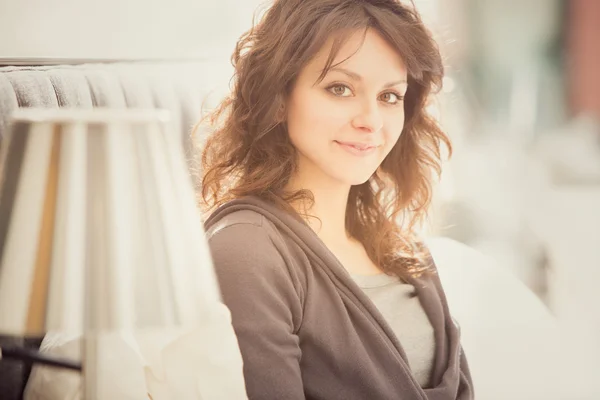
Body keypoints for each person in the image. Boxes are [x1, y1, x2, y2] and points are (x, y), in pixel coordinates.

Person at [200, 0, 474, 398]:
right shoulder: (247, 252)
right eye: (340, 88)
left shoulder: (403, 250)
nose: (371, 120)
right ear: (279, 96)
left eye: (390, 96)